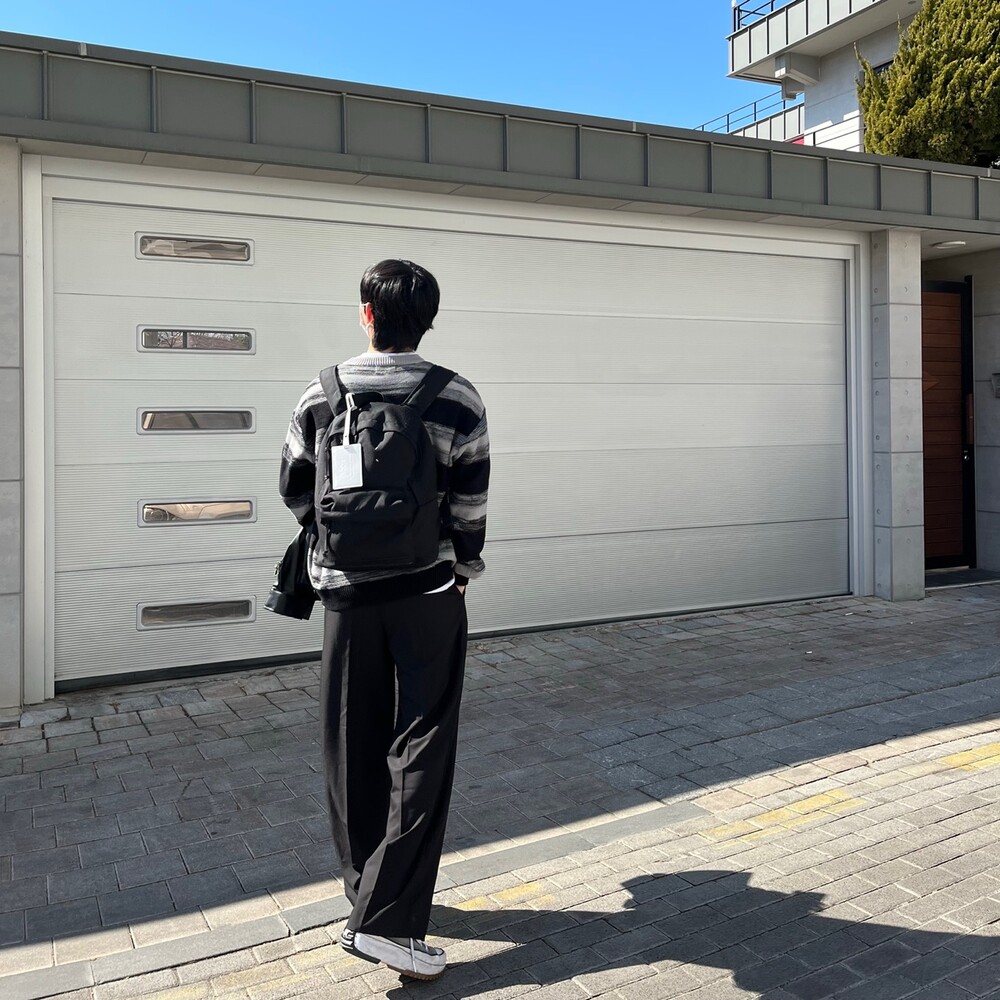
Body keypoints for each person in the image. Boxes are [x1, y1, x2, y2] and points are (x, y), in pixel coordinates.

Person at [278, 259, 489, 981]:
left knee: (350, 743)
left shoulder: (322, 392)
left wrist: (341, 542)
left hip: (346, 595)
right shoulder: (456, 396)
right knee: (422, 745)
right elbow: (470, 501)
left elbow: (295, 488)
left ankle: (365, 896)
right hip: (429, 592)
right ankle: (386, 918)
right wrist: (463, 567)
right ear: (428, 320)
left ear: (367, 314)